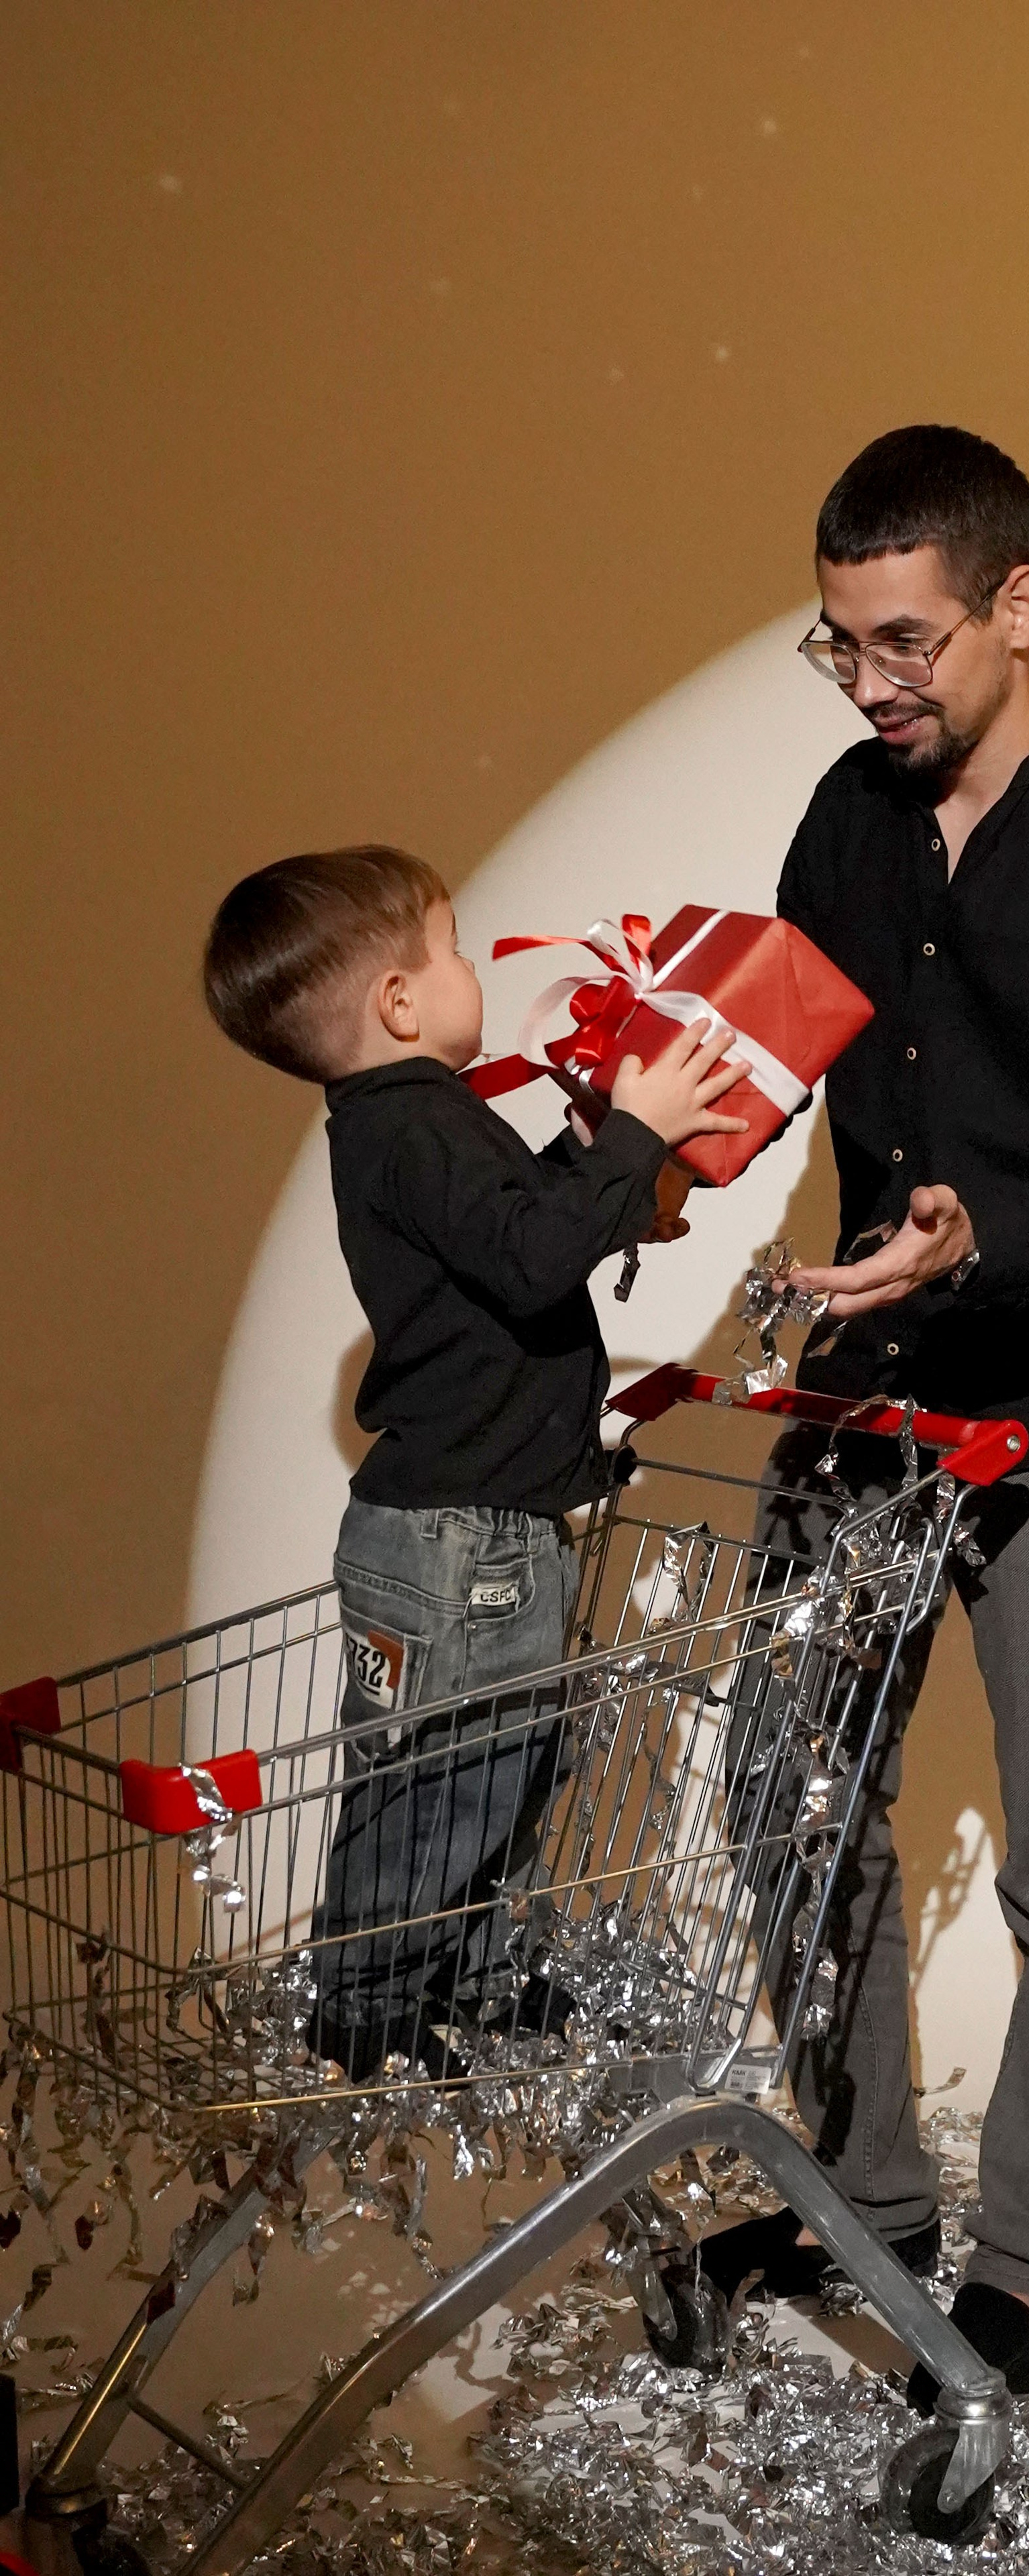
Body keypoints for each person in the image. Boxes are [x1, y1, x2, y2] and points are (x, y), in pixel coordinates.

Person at [690, 427, 1029, 2406]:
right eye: (841, 647)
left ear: (1020, 607)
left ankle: (1028, 2267)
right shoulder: (849, 814)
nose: (873, 686)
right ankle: (871, 2192)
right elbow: (760, 1054)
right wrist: (601, 1146)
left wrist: (979, 1238)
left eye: (907, 643)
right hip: (870, 1396)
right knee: (789, 1790)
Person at [201, 845, 748, 2079]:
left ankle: (468, 1977)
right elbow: (526, 1259)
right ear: (399, 1002)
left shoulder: (411, 1126)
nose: (468, 967)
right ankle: (374, 2005)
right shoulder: (413, 1125)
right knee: (442, 1778)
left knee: (500, 1767)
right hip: (464, 1542)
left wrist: (609, 1176)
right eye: (449, 947)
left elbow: (501, 1239)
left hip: (481, 1530)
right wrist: (629, 1146)